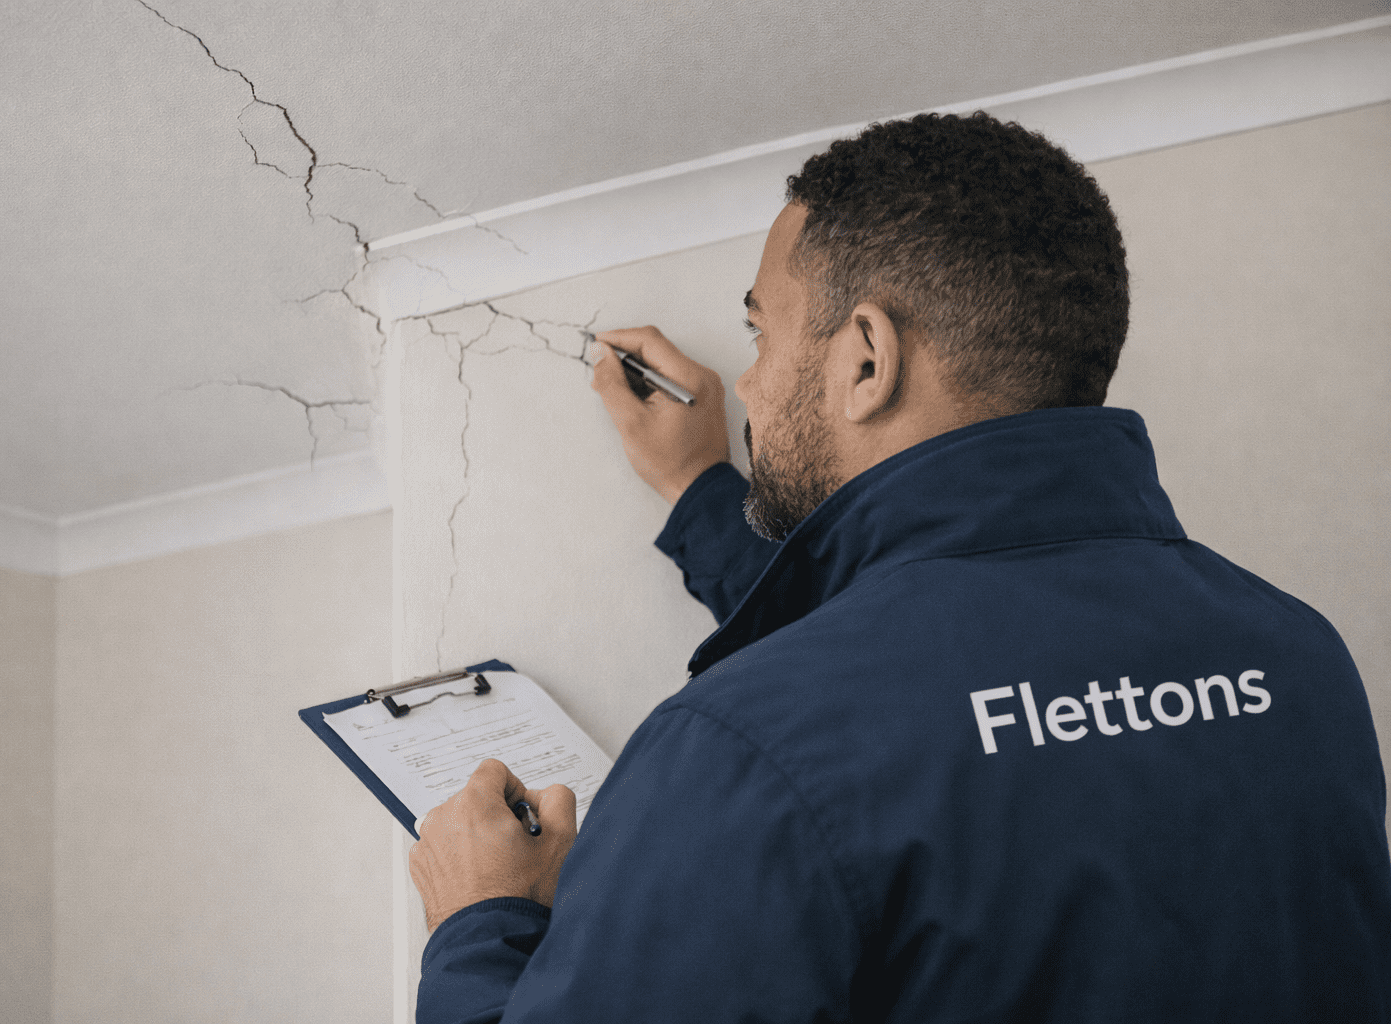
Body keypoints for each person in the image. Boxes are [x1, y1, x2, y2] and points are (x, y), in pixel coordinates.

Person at [407, 112, 1391, 1022]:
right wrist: (708, 492)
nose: (747, 380)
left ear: (867, 358)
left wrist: (483, 920)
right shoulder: (1298, 658)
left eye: (762, 330)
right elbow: (928, 684)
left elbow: (878, 721)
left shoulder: (738, 749)